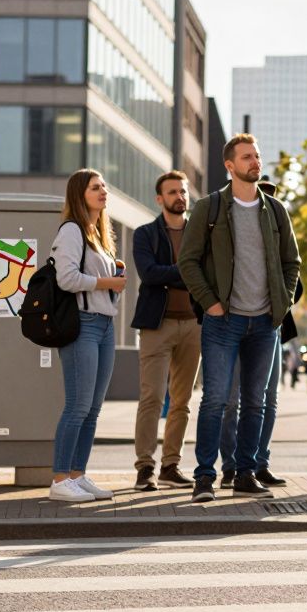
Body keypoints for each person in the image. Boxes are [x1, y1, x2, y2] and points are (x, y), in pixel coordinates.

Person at [178, 133, 301, 503]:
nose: (255, 162)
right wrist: (211, 303)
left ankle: (245, 473)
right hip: (223, 321)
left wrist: (281, 304)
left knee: (256, 402)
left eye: (257, 156)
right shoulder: (210, 208)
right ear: (230, 165)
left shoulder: (275, 210)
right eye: (247, 157)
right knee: (215, 400)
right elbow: (188, 262)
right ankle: (204, 477)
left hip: (265, 323)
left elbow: (291, 262)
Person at [48, 169, 126, 502]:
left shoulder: (99, 234)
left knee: (93, 409)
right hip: (81, 324)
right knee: (77, 406)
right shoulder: (72, 230)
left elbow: (100, 288)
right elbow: (66, 278)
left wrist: (114, 275)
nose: (103, 191)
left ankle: (78, 475)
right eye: (96, 187)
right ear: (80, 194)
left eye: (104, 186)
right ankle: (60, 479)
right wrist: (107, 282)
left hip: (104, 325)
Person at [216, 178, 296, 491]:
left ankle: (258, 463)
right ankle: (231, 466)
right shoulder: (231, 224)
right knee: (231, 399)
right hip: (236, 320)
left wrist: (282, 298)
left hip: (272, 324)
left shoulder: (277, 227)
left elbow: (294, 273)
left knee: (267, 399)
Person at [130, 171, 200, 492]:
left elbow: (207, 273)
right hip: (156, 325)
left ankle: (171, 465)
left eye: (182, 191)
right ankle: (145, 467)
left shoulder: (199, 234)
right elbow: (149, 274)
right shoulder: (145, 234)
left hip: (194, 324)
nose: (179, 197)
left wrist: (173, 275)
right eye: (172, 192)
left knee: (182, 401)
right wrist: (187, 273)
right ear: (160, 199)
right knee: (152, 398)